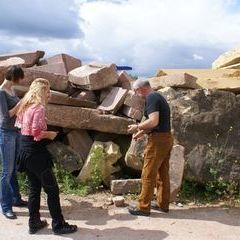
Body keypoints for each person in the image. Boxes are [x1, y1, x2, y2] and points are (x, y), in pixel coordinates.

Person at [15, 78, 77, 235]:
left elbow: (20, 127)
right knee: (52, 190)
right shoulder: (39, 108)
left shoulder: (24, 105)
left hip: (24, 150)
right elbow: (36, 133)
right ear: (41, 91)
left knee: (34, 189)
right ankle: (58, 225)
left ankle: (34, 222)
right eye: (48, 91)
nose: (50, 94)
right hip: (36, 153)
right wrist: (50, 134)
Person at [127, 78, 173, 216]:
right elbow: (157, 123)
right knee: (162, 173)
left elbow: (153, 121)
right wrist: (141, 132)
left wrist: (137, 126)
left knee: (148, 174)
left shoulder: (151, 97)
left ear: (141, 89)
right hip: (166, 138)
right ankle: (163, 204)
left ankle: (143, 207)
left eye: (135, 91)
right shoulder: (158, 96)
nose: (135, 94)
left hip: (158, 141)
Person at [0, 65, 28, 220]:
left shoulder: (12, 90)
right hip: (7, 134)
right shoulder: (1, 92)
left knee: (13, 168)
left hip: (16, 132)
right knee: (6, 171)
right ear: (14, 77)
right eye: (19, 78)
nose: (21, 81)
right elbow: (6, 115)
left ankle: (16, 199)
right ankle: (5, 206)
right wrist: (21, 103)